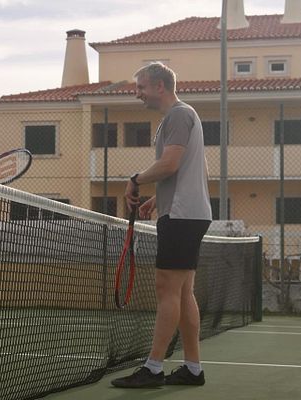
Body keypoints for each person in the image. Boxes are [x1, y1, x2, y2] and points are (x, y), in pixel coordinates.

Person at [111, 62, 212, 388]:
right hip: (186, 213)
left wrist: (134, 180)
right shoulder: (179, 117)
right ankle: (193, 369)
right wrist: (158, 199)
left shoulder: (179, 115)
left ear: (159, 86)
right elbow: (186, 171)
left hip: (183, 217)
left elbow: (169, 164)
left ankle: (153, 369)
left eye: (140, 86)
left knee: (166, 289)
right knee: (182, 293)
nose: (137, 93)